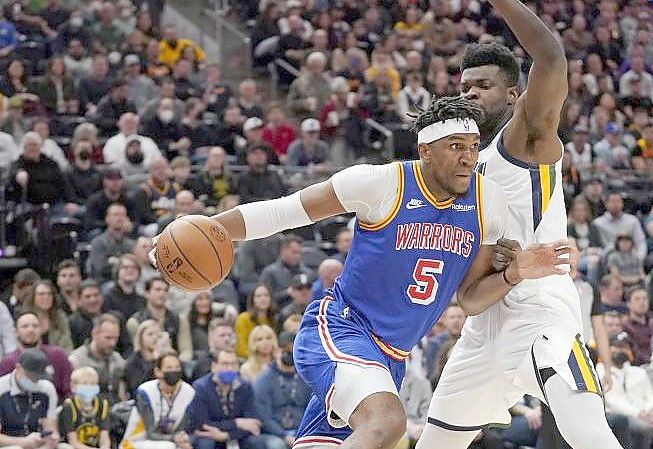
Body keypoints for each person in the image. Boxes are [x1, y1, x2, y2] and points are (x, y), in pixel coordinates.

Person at [152, 95, 570, 449]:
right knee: (388, 424)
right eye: (455, 146)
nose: (467, 157)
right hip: (341, 331)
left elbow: (469, 298)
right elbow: (284, 211)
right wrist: (203, 230)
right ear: (425, 150)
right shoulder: (382, 184)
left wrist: (515, 273)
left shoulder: (486, 202)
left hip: (391, 359)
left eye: (473, 146)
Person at [419, 1, 620, 449]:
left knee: (587, 429)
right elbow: (468, 296)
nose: (469, 94)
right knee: (436, 442)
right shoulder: (460, 170)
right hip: (485, 320)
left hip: (540, 308)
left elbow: (550, 58)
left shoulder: (524, 138)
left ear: (513, 96)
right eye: (465, 86)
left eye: (483, 85)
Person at [597, 335, 653, 449]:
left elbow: (651, 396)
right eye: (617, 347)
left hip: (648, 413)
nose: (621, 351)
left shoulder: (639, 372)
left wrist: (652, 411)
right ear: (607, 349)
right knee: (643, 429)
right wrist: (639, 414)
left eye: (625, 347)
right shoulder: (600, 372)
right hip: (621, 415)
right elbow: (613, 401)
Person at [187, 349, 268, 449]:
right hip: (209, 437)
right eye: (225, 364)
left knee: (258, 442)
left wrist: (226, 436)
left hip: (237, 437)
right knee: (206, 443)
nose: (230, 368)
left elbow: (253, 423)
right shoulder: (200, 387)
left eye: (234, 364)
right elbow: (203, 424)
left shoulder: (245, 386)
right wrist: (237, 423)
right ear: (214, 367)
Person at [122, 352, 194, 449]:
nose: (173, 371)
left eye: (177, 367)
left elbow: (182, 429)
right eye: (169, 368)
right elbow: (150, 434)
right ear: (158, 371)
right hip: (137, 441)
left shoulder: (188, 392)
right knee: (170, 447)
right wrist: (174, 439)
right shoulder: (145, 391)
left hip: (169, 440)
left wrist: (183, 440)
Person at [253, 331, 311, 449]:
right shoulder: (264, 379)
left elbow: (311, 409)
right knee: (276, 445)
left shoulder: (307, 377)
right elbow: (263, 416)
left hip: (303, 431)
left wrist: (304, 434)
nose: (288, 354)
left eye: (292, 350)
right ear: (276, 351)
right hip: (273, 434)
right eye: (285, 350)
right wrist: (284, 436)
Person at [0, 313, 73, 401]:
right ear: (16, 332)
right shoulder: (8, 362)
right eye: (25, 326)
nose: (31, 330)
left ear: (41, 329)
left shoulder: (58, 355)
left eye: (35, 326)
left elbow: (69, 390)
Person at [0, 349, 60, 449]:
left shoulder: (46, 388)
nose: (34, 380)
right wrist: (23, 442)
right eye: (31, 376)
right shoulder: (2, 389)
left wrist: (51, 439)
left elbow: (51, 427)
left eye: (38, 377)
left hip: (37, 442)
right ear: (18, 367)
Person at [68, 314, 126, 403]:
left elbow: (122, 394)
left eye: (115, 338)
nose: (112, 343)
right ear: (95, 334)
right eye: (108, 338)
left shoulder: (117, 359)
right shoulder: (77, 360)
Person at [58, 366, 112, 449]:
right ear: (73, 386)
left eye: (93, 383)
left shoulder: (103, 404)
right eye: (85, 383)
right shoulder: (69, 405)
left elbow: (105, 436)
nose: (89, 387)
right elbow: (73, 441)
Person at [125, 320, 168, 397]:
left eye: (159, 335)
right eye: (150, 334)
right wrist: (155, 362)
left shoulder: (168, 358)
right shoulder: (133, 362)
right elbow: (137, 387)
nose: (155, 338)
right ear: (141, 338)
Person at [234, 284, 274, 359]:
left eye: (266, 295)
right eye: (258, 296)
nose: (263, 298)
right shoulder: (243, 319)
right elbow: (241, 347)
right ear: (252, 299)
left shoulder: (275, 319)